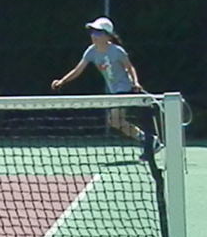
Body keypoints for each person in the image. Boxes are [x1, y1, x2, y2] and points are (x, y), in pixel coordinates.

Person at [50, 16, 158, 155]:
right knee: (115, 122)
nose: (94, 36)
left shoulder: (117, 51)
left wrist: (135, 82)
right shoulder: (91, 51)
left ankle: (149, 142)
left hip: (124, 89)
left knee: (115, 120)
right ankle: (150, 141)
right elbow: (78, 70)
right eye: (92, 32)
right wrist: (62, 81)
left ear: (108, 36)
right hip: (115, 91)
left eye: (98, 33)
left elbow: (130, 67)